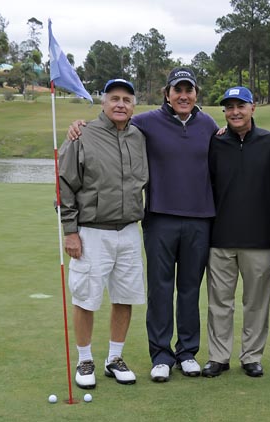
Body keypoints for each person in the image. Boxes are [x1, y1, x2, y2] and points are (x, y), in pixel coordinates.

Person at [67, 68, 218, 382]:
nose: (183, 95)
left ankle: (186, 352)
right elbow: (71, 178)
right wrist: (78, 126)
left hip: (196, 220)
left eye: (189, 90)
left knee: (188, 290)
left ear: (196, 94)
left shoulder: (207, 125)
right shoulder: (143, 123)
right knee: (158, 290)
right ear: (167, 93)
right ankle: (160, 355)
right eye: (177, 90)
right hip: (156, 219)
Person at [58, 78, 148, 389]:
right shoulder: (82, 135)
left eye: (126, 99)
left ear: (133, 105)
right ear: (103, 103)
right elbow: (64, 186)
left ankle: (114, 359)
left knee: (125, 296)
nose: (121, 104)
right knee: (86, 298)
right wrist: (70, 231)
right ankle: (85, 360)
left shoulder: (139, 136)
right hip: (92, 232)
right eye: (114, 99)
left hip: (129, 230)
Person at [202, 87, 270, 378]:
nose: (235, 111)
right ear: (224, 112)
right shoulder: (215, 143)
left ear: (253, 108)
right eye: (229, 107)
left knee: (256, 303)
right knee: (219, 303)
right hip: (220, 238)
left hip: (261, 240)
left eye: (241, 106)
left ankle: (251, 356)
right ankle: (218, 356)